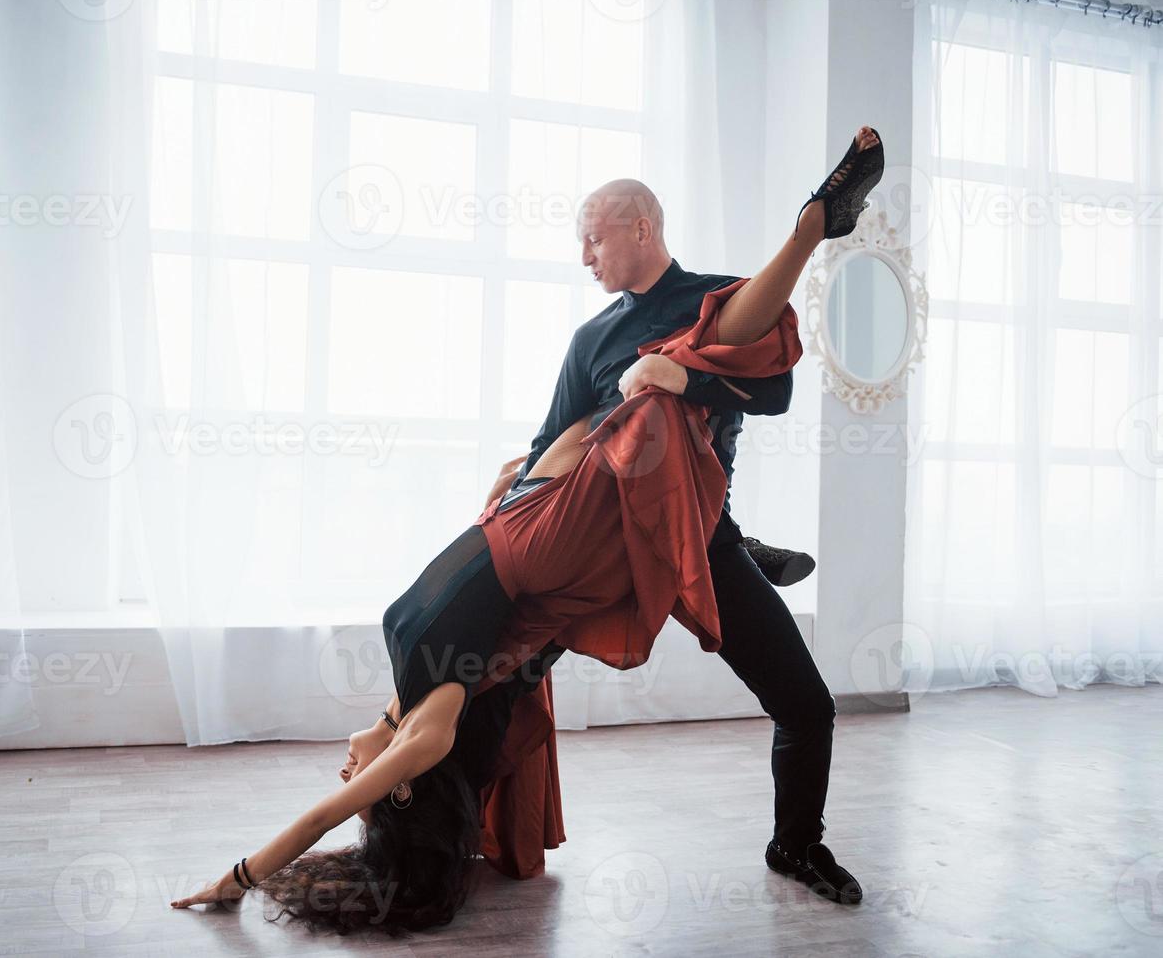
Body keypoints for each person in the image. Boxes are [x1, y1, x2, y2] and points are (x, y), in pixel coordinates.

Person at [171, 126, 884, 931]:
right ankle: (442, 828)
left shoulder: (714, 300)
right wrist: (513, 486)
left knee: (807, 703)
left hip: (695, 531)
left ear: (639, 228)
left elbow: (774, 396)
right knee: (494, 677)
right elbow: (554, 446)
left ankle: (797, 843)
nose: (585, 258)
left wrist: (684, 375)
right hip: (586, 555)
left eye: (593, 239)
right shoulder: (590, 340)